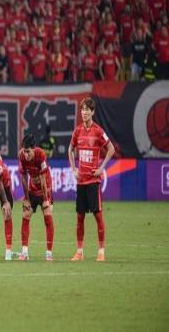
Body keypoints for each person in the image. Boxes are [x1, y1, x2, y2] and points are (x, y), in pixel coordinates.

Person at [68, 97, 115, 261]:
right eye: (82, 109)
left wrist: (101, 168)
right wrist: (73, 169)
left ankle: (101, 252)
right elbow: (70, 149)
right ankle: (79, 252)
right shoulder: (77, 131)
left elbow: (111, 149)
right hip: (81, 181)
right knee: (79, 218)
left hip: (93, 182)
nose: (84, 112)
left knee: (98, 216)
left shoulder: (98, 131)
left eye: (87, 109)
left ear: (93, 112)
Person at [18, 134, 54, 261]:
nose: (26, 154)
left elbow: (43, 179)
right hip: (32, 189)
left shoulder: (41, 155)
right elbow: (23, 177)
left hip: (45, 188)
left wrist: (45, 200)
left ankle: (49, 253)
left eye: (28, 151)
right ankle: (24, 253)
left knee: (47, 216)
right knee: (26, 215)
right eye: (24, 151)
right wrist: (27, 199)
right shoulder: (21, 155)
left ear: (34, 148)